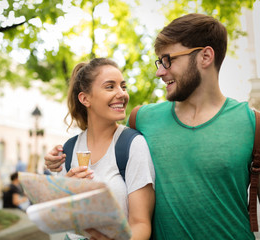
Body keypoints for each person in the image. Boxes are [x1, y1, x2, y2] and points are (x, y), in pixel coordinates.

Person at [44, 13, 257, 239]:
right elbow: (103, 143)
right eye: (159, 62)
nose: (159, 71)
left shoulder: (253, 123)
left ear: (205, 56)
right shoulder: (142, 119)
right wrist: (59, 159)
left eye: (168, 60)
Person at [54, 58, 155, 240]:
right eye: (110, 87)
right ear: (85, 99)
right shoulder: (69, 149)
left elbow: (141, 224)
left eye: (123, 87)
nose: (122, 94)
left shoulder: (132, 144)